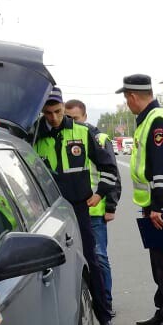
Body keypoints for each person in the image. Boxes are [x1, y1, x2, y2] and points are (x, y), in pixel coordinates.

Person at [33, 86, 117, 325]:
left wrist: (100, 193)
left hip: (80, 209)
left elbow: (109, 168)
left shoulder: (83, 132)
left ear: (63, 108)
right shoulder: (35, 135)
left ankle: (104, 316)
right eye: (48, 113)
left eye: (58, 112)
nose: (54, 118)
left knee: (92, 261)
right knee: (52, 267)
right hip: (49, 212)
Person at [118, 74, 163, 325]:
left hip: (162, 206)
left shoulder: (157, 122)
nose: (127, 104)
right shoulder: (148, 120)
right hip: (153, 206)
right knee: (158, 263)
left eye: (126, 99)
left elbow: (162, 168)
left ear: (133, 96)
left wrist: (157, 205)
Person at [65, 98, 118, 300]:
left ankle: (105, 302)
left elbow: (112, 175)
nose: (72, 122)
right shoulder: (62, 138)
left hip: (95, 210)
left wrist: (110, 205)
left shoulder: (98, 138)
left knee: (99, 258)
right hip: (71, 211)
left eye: (76, 118)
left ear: (85, 117)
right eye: (68, 118)